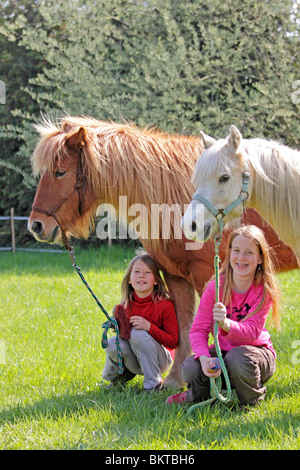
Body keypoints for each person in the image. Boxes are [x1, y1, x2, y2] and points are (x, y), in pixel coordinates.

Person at [166, 225, 280, 409]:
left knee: (237, 358)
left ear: (260, 258)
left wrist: (226, 324)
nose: (241, 258)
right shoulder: (215, 288)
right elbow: (198, 330)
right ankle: (196, 397)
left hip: (255, 357)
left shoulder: (264, 290)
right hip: (224, 355)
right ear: (229, 253)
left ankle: (251, 401)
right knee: (190, 367)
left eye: (249, 252)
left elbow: (252, 333)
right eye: (237, 251)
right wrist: (204, 358)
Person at [102, 253, 179, 391]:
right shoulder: (126, 304)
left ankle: (153, 384)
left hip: (161, 359)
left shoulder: (164, 305)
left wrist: (149, 327)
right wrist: (118, 328)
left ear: (156, 280)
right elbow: (125, 338)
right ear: (130, 279)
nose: (141, 275)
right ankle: (117, 378)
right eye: (136, 272)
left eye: (147, 272)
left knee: (137, 334)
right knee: (113, 343)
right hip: (136, 358)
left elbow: (173, 342)